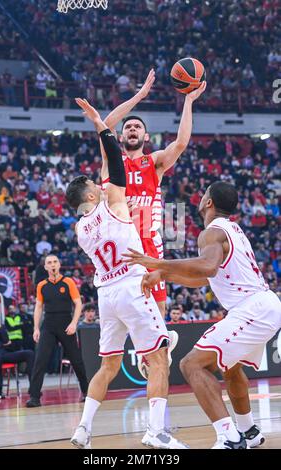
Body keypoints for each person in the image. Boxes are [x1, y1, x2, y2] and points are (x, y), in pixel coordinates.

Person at [66, 99, 187, 450]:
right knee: (158, 357)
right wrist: (102, 127)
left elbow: (110, 180)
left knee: (108, 367)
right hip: (133, 285)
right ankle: (156, 431)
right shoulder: (117, 201)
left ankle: (83, 430)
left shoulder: (81, 228)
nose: (99, 183)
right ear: (92, 193)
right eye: (95, 184)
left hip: (106, 294)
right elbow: (116, 165)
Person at [124, 181, 281, 449]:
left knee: (191, 364)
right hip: (264, 306)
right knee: (230, 369)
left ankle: (229, 438)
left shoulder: (211, 233)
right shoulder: (232, 230)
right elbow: (206, 277)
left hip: (253, 309)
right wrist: (164, 274)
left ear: (208, 202)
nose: (201, 196)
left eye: (204, 193)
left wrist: (159, 263)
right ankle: (249, 432)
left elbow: (207, 267)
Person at [76, 70, 206, 375]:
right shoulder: (112, 161)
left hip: (150, 241)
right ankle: (147, 353)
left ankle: (157, 353)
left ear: (145, 137)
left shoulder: (155, 162)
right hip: (121, 243)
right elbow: (104, 125)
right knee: (132, 308)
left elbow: (182, 142)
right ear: (122, 137)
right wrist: (139, 96)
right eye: (129, 127)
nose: (132, 129)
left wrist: (188, 101)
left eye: (138, 127)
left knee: (157, 309)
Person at [26, 255, 88, 407]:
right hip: (48, 325)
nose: (52, 265)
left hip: (66, 324)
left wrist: (74, 323)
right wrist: (36, 328)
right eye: (49, 263)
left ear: (59, 265)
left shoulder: (68, 282)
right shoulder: (42, 285)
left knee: (76, 360)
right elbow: (39, 307)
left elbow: (78, 304)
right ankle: (34, 396)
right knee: (40, 360)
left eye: (55, 262)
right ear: (45, 267)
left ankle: (87, 392)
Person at [0, 306, 34, 397]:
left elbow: (6, 340)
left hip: (4, 354)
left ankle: (34, 386)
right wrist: (1, 344)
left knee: (29, 353)